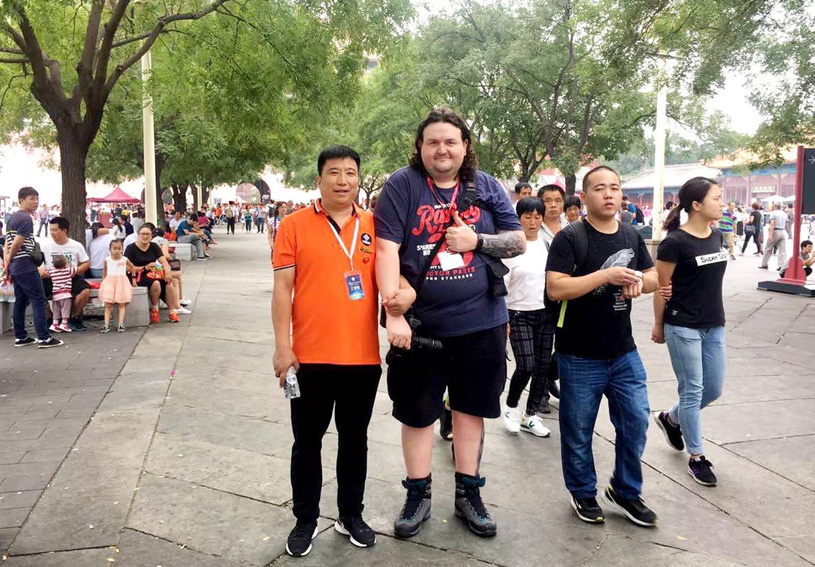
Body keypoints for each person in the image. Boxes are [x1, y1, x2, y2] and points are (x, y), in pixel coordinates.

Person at [375, 107, 525, 539]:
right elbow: (386, 251)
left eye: (450, 141)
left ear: (465, 147)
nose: (442, 149)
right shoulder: (402, 186)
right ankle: (417, 493)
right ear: (420, 148)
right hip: (421, 326)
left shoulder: (487, 186)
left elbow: (517, 240)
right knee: (417, 413)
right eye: (433, 142)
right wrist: (394, 314)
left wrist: (477, 240)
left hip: (482, 322)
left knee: (471, 410)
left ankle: (468, 493)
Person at [273, 146, 381, 557]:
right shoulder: (293, 225)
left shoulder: (375, 225)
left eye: (350, 172)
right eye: (334, 172)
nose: (342, 180)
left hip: (362, 358)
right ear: (318, 179)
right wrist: (283, 347)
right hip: (309, 358)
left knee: (355, 441)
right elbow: (282, 289)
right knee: (307, 443)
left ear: (358, 180)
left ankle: (350, 515)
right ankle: (305, 519)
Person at [546, 165, 660, 527]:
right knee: (578, 429)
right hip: (578, 352)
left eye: (614, 187)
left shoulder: (631, 235)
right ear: (584, 196)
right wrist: (605, 276)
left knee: (636, 420)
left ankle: (625, 490)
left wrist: (639, 281)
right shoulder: (570, 237)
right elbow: (556, 288)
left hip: (623, 350)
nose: (609, 194)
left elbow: (654, 276)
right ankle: (582, 491)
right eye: (599, 188)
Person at [652, 177, 727, 487]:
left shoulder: (717, 236)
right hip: (682, 325)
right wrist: (658, 325)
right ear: (696, 205)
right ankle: (697, 457)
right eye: (716, 198)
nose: (721, 203)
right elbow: (661, 287)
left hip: (714, 323)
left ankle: (671, 418)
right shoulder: (674, 243)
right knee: (693, 390)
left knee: (714, 389)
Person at [501, 197, 552, 437]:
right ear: (518, 218)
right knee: (526, 365)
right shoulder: (511, 248)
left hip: (545, 313)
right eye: (527, 217)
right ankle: (511, 407)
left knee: (542, 367)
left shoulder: (547, 245)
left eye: (537, 217)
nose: (532, 222)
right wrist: (504, 319)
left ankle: (530, 415)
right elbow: (502, 286)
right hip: (517, 313)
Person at [2, 188, 62, 348]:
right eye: (32, 199)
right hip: (26, 265)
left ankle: (21, 336)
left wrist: (8, 262)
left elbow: (8, 242)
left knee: (21, 301)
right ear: (21, 200)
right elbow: (16, 242)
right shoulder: (26, 218)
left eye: (37, 199)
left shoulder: (12, 218)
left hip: (16, 266)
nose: (36, 202)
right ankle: (44, 337)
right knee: (39, 300)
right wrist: (10, 258)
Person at [40, 217, 91, 332]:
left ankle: (72, 317)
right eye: (51, 230)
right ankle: (50, 318)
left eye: (55, 230)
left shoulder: (76, 245)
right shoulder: (45, 246)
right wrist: (41, 270)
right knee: (37, 292)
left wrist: (76, 271)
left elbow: (86, 262)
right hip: (51, 278)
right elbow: (37, 263)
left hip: (70, 277)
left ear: (64, 230)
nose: (52, 233)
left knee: (85, 291)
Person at [125, 224, 180, 324]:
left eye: (148, 234)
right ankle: (154, 308)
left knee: (169, 282)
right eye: (143, 234)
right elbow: (127, 267)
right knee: (156, 283)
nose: (145, 236)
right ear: (138, 235)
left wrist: (167, 272)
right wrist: (144, 267)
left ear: (151, 236)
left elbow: (164, 261)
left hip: (153, 273)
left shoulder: (154, 246)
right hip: (137, 275)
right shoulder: (131, 248)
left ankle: (172, 311)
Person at [98, 239, 135, 333]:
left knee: (122, 303)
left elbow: (132, 267)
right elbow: (105, 271)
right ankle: (106, 324)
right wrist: (104, 281)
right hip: (110, 283)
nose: (117, 251)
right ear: (110, 249)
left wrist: (133, 278)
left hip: (121, 283)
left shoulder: (124, 259)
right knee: (108, 304)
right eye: (114, 248)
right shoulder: (107, 260)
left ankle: (121, 323)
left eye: (119, 248)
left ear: (122, 249)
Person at [46, 255, 74, 333]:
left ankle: (55, 323)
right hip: (65, 294)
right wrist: (70, 265)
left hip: (55, 294)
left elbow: (47, 271)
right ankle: (64, 323)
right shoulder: (68, 270)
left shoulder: (52, 271)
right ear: (65, 264)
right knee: (65, 309)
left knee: (56, 310)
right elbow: (75, 269)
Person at [759, 202, 788, 270]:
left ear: (775, 206)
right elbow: (786, 224)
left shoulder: (773, 213)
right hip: (782, 230)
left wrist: (770, 234)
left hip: (775, 230)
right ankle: (781, 265)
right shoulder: (784, 214)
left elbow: (772, 223)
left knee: (768, 248)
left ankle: (764, 264)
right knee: (782, 250)